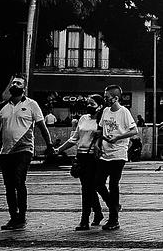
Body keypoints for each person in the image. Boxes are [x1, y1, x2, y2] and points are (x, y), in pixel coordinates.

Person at [0, 74, 53, 230]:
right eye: (13, 83)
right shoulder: (2, 106)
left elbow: (42, 126)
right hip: (5, 151)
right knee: (9, 185)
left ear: (24, 88)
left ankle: (21, 217)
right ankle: (13, 217)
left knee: (18, 181)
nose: (14, 85)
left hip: (24, 149)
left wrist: (49, 145)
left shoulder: (31, 104)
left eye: (18, 83)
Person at [56, 94, 104, 230]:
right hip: (81, 156)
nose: (89, 106)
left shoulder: (102, 121)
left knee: (87, 189)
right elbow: (74, 138)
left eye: (92, 104)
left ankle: (85, 220)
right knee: (88, 187)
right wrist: (59, 149)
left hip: (93, 158)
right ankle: (98, 213)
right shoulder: (83, 119)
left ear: (100, 106)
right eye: (88, 103)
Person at [97, 85, 138, 231]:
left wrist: (119, 136)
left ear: (115, 98)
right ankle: (114, 205)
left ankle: (114, 219)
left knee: (114, 184)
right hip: (105, 153)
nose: (105, 98)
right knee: (98, 182)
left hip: (119, 153)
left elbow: (134, 130)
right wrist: (98, 144)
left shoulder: (124, 112)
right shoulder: (105, 111)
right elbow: (101, 129)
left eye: (108, 96)